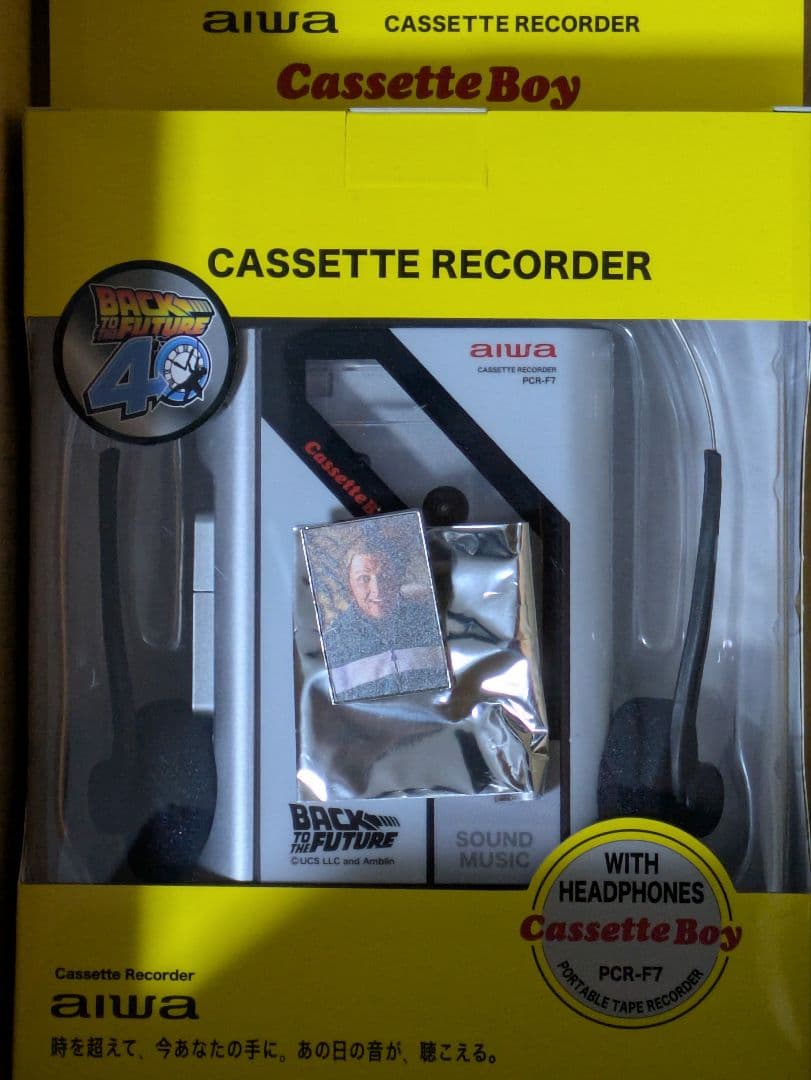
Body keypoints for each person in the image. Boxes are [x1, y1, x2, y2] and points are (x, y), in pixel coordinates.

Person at [322, 541, 449, 702]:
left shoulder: (429, 622)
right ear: (349, 585)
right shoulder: (333, 644)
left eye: (385, 575)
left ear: (397, 579)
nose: (377, 589)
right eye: (363, 578)